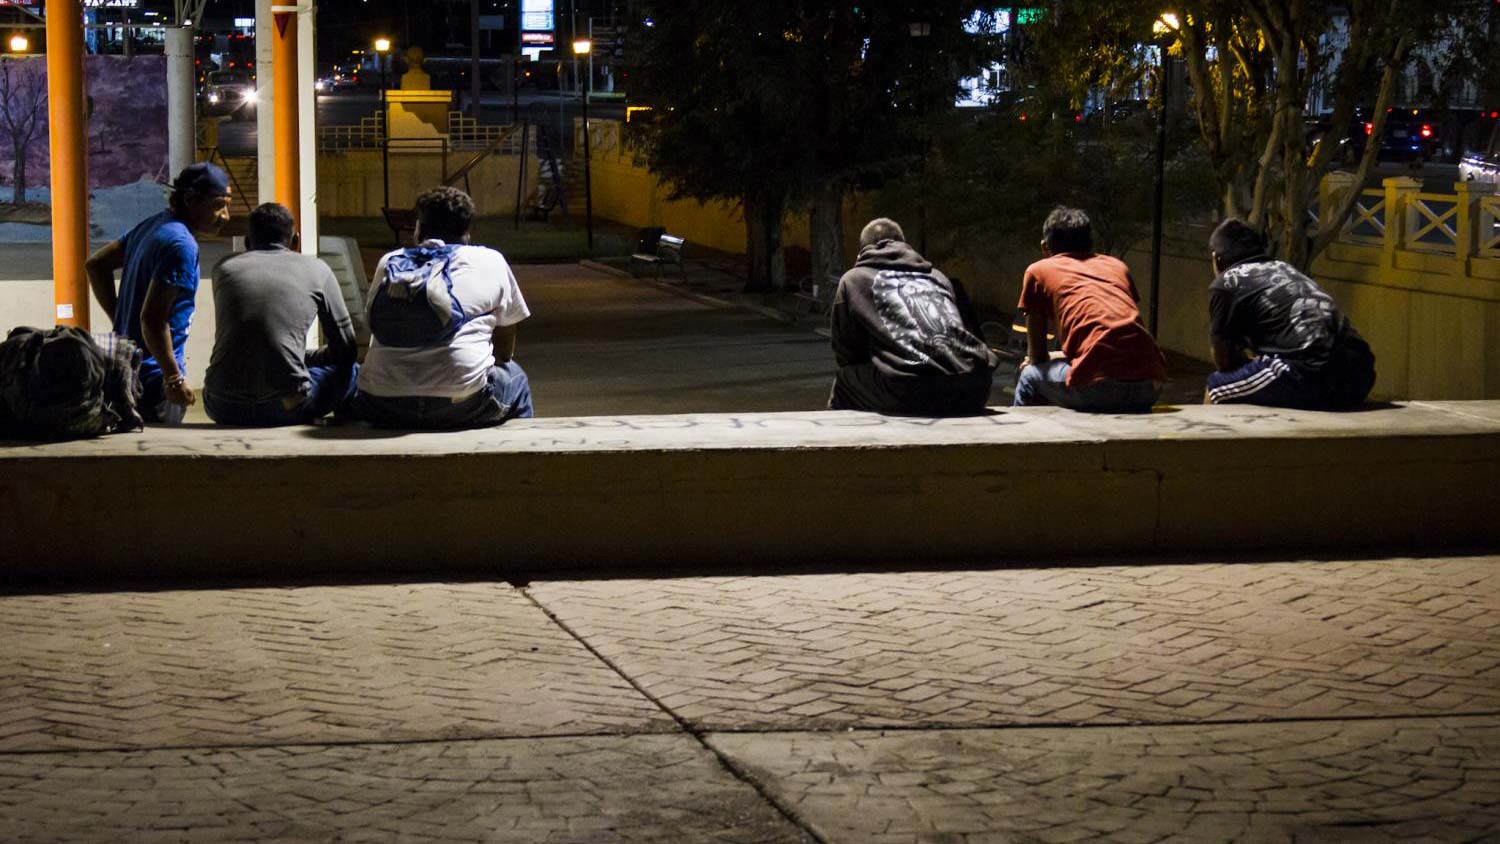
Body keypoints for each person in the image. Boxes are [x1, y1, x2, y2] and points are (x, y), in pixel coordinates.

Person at [348, 186, 533, 429]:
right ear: (467, 230)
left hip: (382, 401)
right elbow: (504, 351)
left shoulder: (391, 262)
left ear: (419, 228)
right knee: (516, 377)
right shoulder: (490, 260)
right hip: (462, 402)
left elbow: (374, 323)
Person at [85, 162, 232, 424]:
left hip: (127, 372)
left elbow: (96, 265)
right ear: (190, 199)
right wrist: (173, 379)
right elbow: (152, 320)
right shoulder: (181, 245)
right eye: (219, 204)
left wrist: (120, 319)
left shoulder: (151, 226)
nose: (225, 215)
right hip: (155, 383)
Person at [202, 203, 358, 426]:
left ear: (247, 243)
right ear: (296, 241)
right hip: (285, 407)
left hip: (221, 405)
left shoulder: (223, 268)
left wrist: (299, 357)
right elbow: (346, 350)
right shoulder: (318, 269)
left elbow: (252, 338)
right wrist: (305, 359)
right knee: (351, 371)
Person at [828, 218, 997, 416]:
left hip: (911, 389)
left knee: (845, 381)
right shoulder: (938, 276)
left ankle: (848, 443)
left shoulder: (853, 279)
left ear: (862, 253)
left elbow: (847, 354)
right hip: (975, 387)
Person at [1204, 218, 1376, 408]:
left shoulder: (1228, 282)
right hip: (1360, 373)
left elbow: (1224, 361)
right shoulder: (1284, 269)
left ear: (1216, 258)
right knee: (1258, 375)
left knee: (1216, 388)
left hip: (1311, 372)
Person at [1013, 207, 1165, 413]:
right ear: (1090, 244)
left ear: (1044, 246)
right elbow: (1117, 332)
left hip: (1099, 387)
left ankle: (1024, 443)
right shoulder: (1117, 266)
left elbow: (1037, 356)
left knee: (1030, 375)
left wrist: (1038, 359)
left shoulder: (1038, 271)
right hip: (1150, 385)